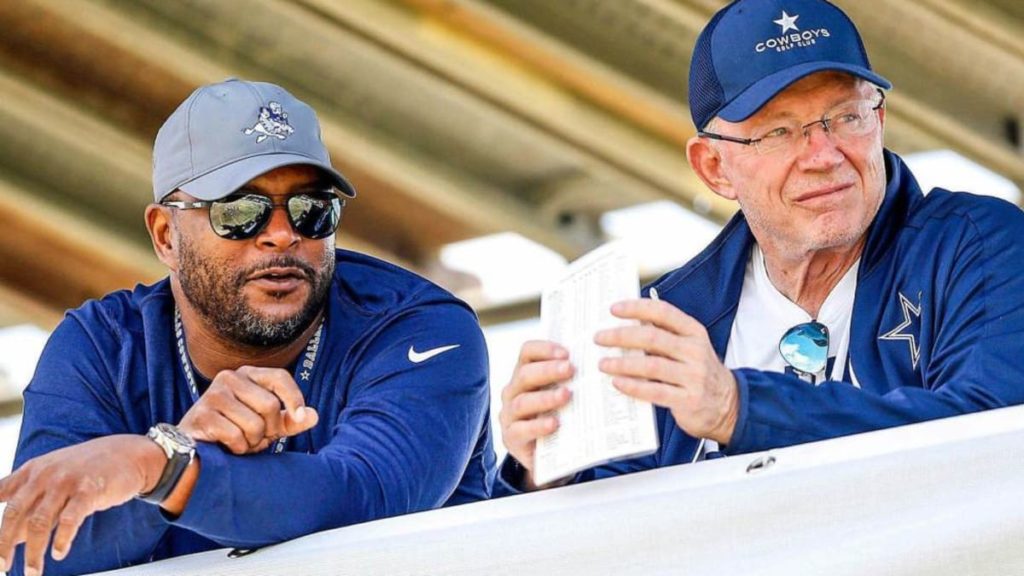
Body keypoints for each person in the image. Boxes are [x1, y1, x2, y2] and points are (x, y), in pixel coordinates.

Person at [496, 0, 1024, 493]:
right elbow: (612, 522)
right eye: (778, 132)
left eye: (846, 116)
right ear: (714, 168)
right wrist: (546, 473)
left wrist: (738, 409)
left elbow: (990, 435)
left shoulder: (976, 244)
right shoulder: (667, 321)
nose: (824, 155)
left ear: (879, 120)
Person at [0, 79, 495, 575]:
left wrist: (164, 465)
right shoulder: (102, 347)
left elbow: (368, 494)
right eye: (239, 212)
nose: (281, 235)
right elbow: (31, 552)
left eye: (310, 209)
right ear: (166, 235)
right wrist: (176, 446)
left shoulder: (418, 329)